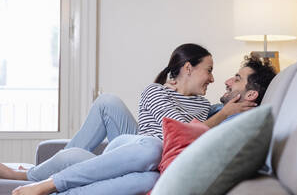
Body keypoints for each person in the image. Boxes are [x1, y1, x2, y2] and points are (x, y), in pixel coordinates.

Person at [3, 43, 256, 195]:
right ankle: (32, 176)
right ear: (188, 68)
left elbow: (218, 124)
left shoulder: (206, 106)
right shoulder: (156, 91)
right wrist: (223, 113)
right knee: (112, 106)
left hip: (142, 165)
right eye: (208, 70)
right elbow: (177, 130)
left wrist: (232, 108)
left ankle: (54, 186)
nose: (213, 78)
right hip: (134, 146)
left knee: (149, 179)